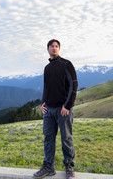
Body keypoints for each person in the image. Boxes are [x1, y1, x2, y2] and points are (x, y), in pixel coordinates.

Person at [33, 39, 78, 179]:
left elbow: (74, 85)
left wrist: (67, 105)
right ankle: (48, 167)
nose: (54, 48)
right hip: (49, 110)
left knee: (66, 138)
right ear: (47, 49)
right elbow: (46, 87)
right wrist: (42, 102)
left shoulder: (66, 64)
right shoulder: (47, 68)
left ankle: (69, 166)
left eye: (56, 46)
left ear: (59, 49)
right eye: (52, 46)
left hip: (62, 109)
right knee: (48, 138)